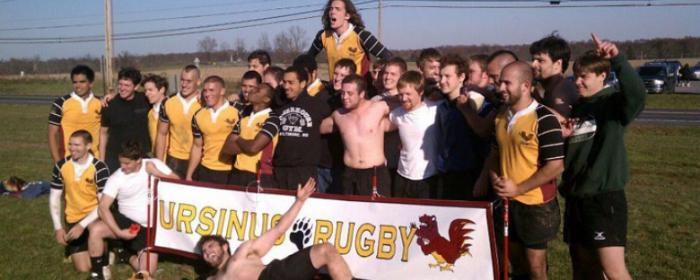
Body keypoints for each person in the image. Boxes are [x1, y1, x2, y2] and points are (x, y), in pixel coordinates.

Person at [560, 33, 645, 280]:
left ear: (602, 76)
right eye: (575, 76)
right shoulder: (578, 107)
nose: (577, 82)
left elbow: (637, 95)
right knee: (584, 269)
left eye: (584, 77)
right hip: (576, 199)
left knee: (613, 270)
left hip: (603, 199)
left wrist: (618, 59)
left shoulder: (612, 104)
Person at [480, 61, 564, 280]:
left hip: (536, 206)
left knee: (536, 268)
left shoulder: (544, 118)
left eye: (507, 83)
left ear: (526, 86)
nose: (500, 88)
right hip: (507, 203)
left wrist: (519, 188)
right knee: (516, 264)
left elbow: (556, 166)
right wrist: (496, 179)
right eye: (500, 83)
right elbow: (494, 155)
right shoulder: (501, 117)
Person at [199, 177, 354, 280]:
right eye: (204, 252)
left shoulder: (243, 252)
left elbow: (278, 230)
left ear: (225, 246)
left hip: (273, 276)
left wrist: (299, 201)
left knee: (325, 250)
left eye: (210, 246)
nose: (208, 252)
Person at [88, 141, 179, 279]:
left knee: (146, 273)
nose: (122, 167)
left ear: (139, 160)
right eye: (121, 163)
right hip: (127, 222)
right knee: (95, 229)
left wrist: (156, 173)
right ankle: (96, 274)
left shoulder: (153, 164)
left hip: (150, 227)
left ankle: (126, 255)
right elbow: (103, 207)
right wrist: (119, 232)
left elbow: (178, 182)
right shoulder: (116, 178)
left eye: (127, 163)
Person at [320, 74, 392, 196]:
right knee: (350, 214)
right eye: (342, 93)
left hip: (374, 174)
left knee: (379, 214)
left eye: (350, 93)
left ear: (362, 94)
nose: (344, 97)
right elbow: (318, 128)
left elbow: (407, 110)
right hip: (349, 175)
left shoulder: (379, 107)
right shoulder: (338, 115)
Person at [49, 130, 110, 274]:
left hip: (95, 216)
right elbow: (54, 198)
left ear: (88, 146)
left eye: (77, 145)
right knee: (83, 268)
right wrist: (58, 227)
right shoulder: (61, 166)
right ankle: (96, 249)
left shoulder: (99, 167)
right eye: (70, 144)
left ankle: (106, 250)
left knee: (97, 234)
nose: (72, 148)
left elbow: (103, 205)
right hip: (73, 218)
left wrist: (82, 225)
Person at [436, 54, 492, 200]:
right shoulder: (442, 106)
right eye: (440, 76)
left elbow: (488, 142)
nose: (442, 81)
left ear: (461, 77)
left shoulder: (477, 104)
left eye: (447, 76)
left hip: (470, 176)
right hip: (446, 175)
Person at [273, 66, 332, 189]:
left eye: (291, 83)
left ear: (303, 83)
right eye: (284, 82)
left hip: (304, 172)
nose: (286, 86)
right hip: (279, 170)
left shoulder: (317, 105)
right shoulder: (279, 105)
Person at [386, 71, 442, 198]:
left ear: (420, 92)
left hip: (428, 178)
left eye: (408, 94)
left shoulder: (435, 109)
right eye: (400, 94)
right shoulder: (397, 114)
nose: (404, 98)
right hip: (402, 176)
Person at [308, 0, 392, 81]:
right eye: (331, 8)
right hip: (335, 89)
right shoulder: (323, 36)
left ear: (347, 15)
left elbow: (389, 57)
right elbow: (307, 59)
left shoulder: (362, 36)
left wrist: (379, 77)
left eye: (337, 9)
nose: (332, 12)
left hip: (358, 91)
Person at [222, 84, 280, 188]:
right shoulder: (244, 119)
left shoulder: (272, 119)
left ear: (266, 99)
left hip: (258, 175)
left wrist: (238, 139)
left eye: (257, 90)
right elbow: (227, 148)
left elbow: (254, 148)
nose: (252, 90)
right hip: (236, 173)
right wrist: (249, 144)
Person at [186, 76, 240, 184]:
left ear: (222, 91)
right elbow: (197, 146)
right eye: (205, 90)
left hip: (230, 172)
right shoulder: (198, 115)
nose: (207, 94)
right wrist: (189, 175)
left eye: (211, 90)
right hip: (205, 171)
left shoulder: (237, 112)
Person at [99, 67, 151, 173]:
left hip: (141, 156)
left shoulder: (145, 100)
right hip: (116, 158)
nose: (122, 88)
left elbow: (161, 96)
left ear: (136, 87)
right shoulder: (109, 105)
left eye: (127, 85)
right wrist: (101, 160)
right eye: (120, 84)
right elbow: (103, 133)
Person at [155, 65, 203, 177]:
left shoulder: (205, 103)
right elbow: (161, 133)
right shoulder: (168, 102)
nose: (184, 85)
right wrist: (159, 164)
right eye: (182, 80)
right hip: (174, 160)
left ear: (198, 82)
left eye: (189, 81)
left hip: (199, 160)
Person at [48, 65, 103, 162]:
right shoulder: (60, 103)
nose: (78, 86)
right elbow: (52, 134)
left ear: (91, 83)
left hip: (94, 161)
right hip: (68, 161)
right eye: (75, 82)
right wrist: (58, 163)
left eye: (82, 82)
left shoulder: (101, 103)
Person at [530, 33, 579, 120]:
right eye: (533, 60)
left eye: (540, 60)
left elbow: (559, 126)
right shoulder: (556, 86)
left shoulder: (560, 90)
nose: (533, 64)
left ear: (557, 64)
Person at [141, 74, 168, 157]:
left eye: (150, 90)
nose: (147, 93)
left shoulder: (172, 108)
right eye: (145, 90)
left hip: (173, 160)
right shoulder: (150, 114)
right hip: (157, 159)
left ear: (162, 90)